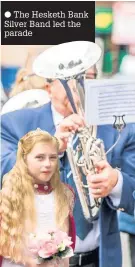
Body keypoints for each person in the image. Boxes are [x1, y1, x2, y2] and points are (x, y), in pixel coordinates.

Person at [0, 129, 75, 267]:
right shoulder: (10, 192)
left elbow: (65, 242)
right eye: (40, 157)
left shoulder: (64, 193)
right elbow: (4, 242)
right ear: (24, 158)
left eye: (53, 157)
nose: (47, 164)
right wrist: (31, 262)